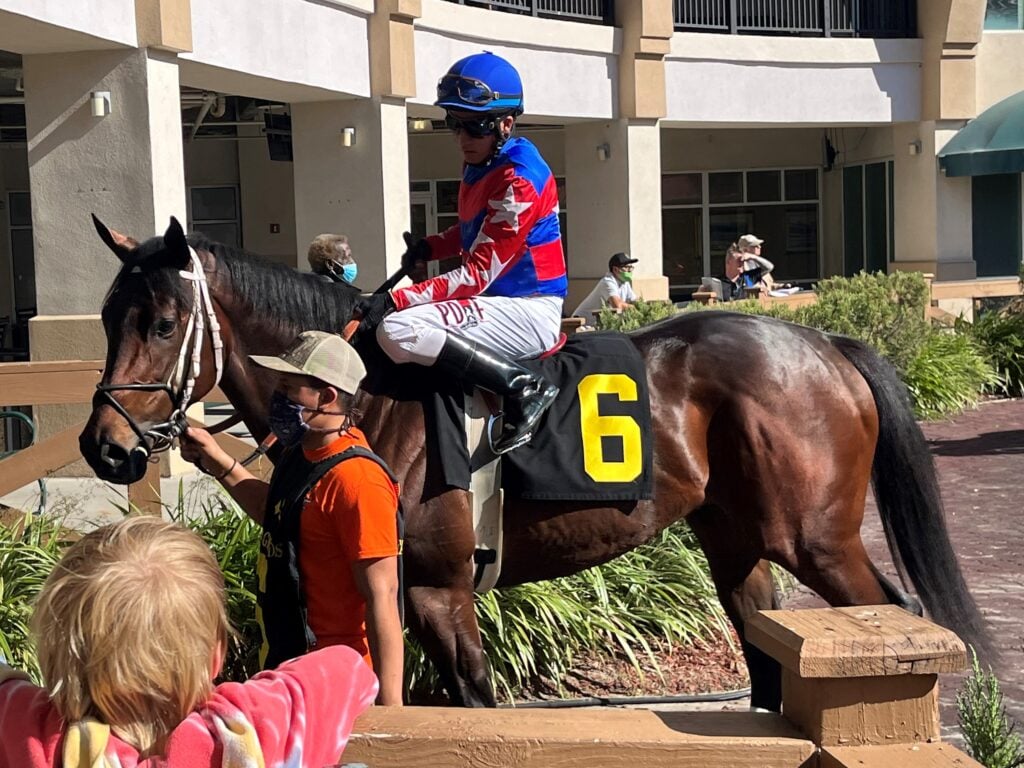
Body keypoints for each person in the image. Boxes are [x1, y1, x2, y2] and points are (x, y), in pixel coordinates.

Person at [0, 516, 377, 767]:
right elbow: (345, 666)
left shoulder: (32, 733)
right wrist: (238, 699)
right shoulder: (247, 732)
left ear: (57, 650)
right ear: (216, 654)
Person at [354, 52, 566, 455]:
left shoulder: (518, 180)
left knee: (397, 329)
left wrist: (393, 299)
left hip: (529, 310)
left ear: (505, 123)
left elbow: (474, 275)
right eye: (454, 123)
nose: (462, 138)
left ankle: (525, 387)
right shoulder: (485, 162)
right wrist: (431, 246)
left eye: (475, 126)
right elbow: (475, 234)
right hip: (499, 301)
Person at [180, 331, 404, 706]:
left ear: (327, 397)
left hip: (334, 686)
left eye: (289, 387)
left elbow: (383, 596)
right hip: (290, 673)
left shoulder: (358, 482)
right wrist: (217, 460)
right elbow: (279, 514)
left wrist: (392, 714)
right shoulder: (302, 454)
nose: (277, 397)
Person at [572, 252, 639, 319]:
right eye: (627, 267)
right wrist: (636, 308)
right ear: (615, 269)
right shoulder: (607, 282)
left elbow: (635, 301)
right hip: (583, 324)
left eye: (631, 267)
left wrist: (644, 305)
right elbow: (618, 305)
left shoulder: (624, 282)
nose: (630, 270)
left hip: (599, 323)